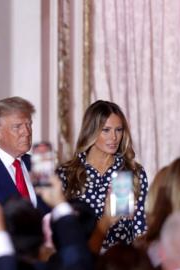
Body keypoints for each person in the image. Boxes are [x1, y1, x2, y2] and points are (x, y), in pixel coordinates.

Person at [57, 100, 148, 249]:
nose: (114, 137)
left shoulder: (134, 172)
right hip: (82, 260)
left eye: (118, 130)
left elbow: (140, 227)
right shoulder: (67, 173)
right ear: (91, 131)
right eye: (106, 130)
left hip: (120, 262)